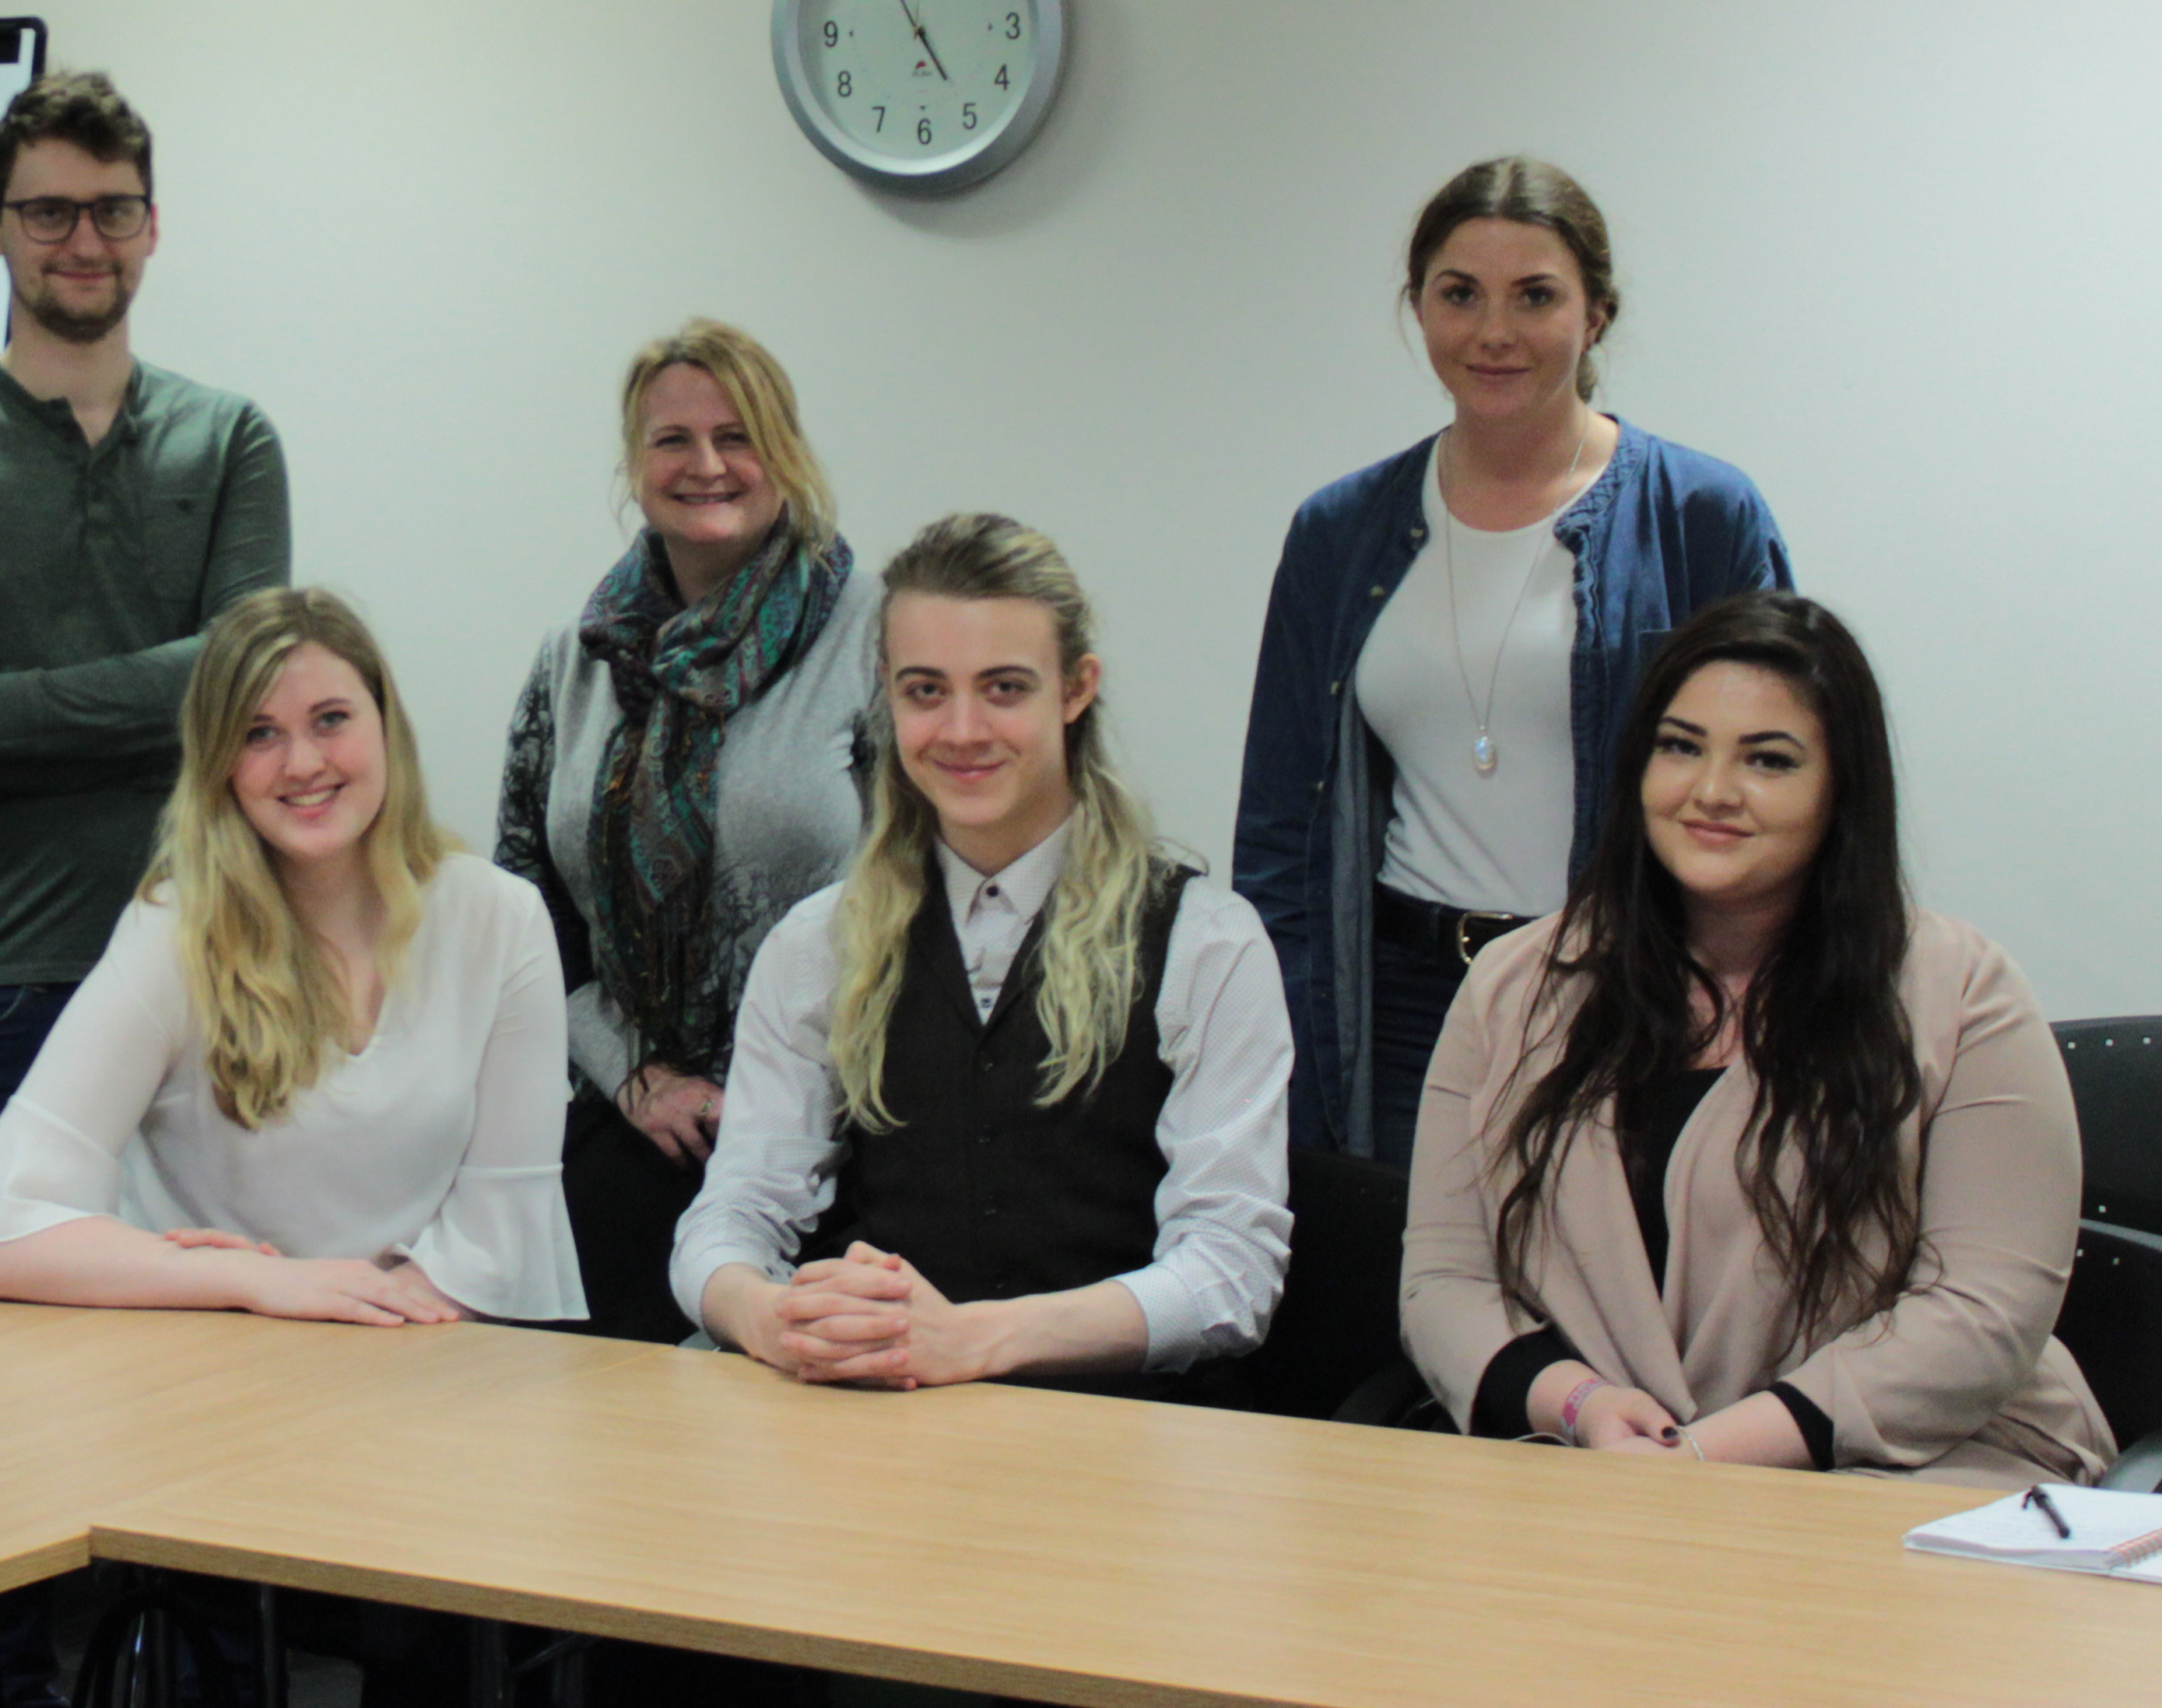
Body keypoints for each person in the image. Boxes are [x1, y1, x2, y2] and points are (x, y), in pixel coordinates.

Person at [1402, 594, 2109, 1482]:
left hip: (1909, 1469)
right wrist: (1579, 1407)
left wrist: (1709, 1455)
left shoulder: (1962, 994)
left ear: (1841, 790)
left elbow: (1983, 1312)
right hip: (1595, 1471)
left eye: (1768, 761)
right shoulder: (1512, 986)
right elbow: (1445, 1282)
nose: (1711, 791)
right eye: (1680, 746)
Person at [1234, 156, 1789, 1164]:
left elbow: (1782, 795)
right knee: (1407, 1304)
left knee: (1616, 1310)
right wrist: (1282, 1033)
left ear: (1598, 315)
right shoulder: (1339, 532)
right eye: (1460, 295)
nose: (1494, 333)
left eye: (1536, 296)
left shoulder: (1703, 517)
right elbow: (1281, 827)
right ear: (1419, 309)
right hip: (1406, 1011)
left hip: (1636, 1004)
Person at [679, 513, 1290, 1398]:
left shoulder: (1208, 942)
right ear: (886, 693)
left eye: (1004, 688)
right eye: (926, 691)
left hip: (1123, 1441)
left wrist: (971, 1340)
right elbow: (730, 1218)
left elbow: (1233, 1275)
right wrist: (768, 1317)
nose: (962, 731)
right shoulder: (817, 944)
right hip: (872, 1430)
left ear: (1076, 689)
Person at [0, 69, 289, 1211]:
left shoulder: (231, 438)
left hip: (210, 965)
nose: (83, 240)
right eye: (48, 211)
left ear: (152, 227)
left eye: (113, 209)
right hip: (1, 984)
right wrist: (167, 692)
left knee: (225, 1365)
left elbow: (240, 683)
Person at [0, 587, 581, 1327]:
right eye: (258, 734)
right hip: (210, 1362)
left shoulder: (500, 919)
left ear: (386, 728)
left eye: (331, 720)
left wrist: (366, 1316)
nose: (302, 763)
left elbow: (502, 1232)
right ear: (219, 764)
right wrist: (243, 1279)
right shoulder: (176, 929)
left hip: (417, 1354)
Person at [491, 321, 878, 1345]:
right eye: (673, 440)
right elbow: (527, 912)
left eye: (737, 435)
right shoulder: (573, 661)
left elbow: (926, 893)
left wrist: (783, 1094)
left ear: (785, 452)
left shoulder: (879, 640)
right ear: (634, 464)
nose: (707, 465)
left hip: (836, 1141)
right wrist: (633, 1074)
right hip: (637, 1123)